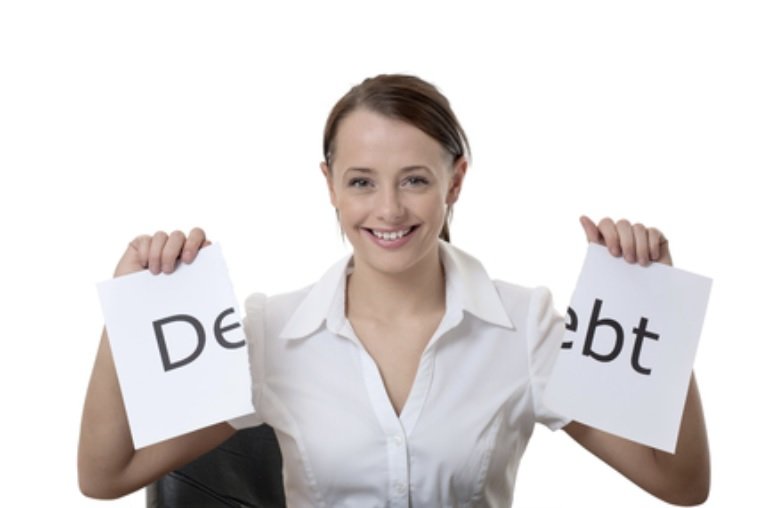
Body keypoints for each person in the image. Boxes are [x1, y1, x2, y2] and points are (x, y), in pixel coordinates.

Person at [78, 74, 710, 506]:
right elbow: (107, 474)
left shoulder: (525, 327)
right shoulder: (273, 332)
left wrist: (655, 306)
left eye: (413, 180)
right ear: (328, 184)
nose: (388, 209)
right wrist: (129, 309)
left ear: (454, 182)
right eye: (360, 182)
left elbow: (681, 482)